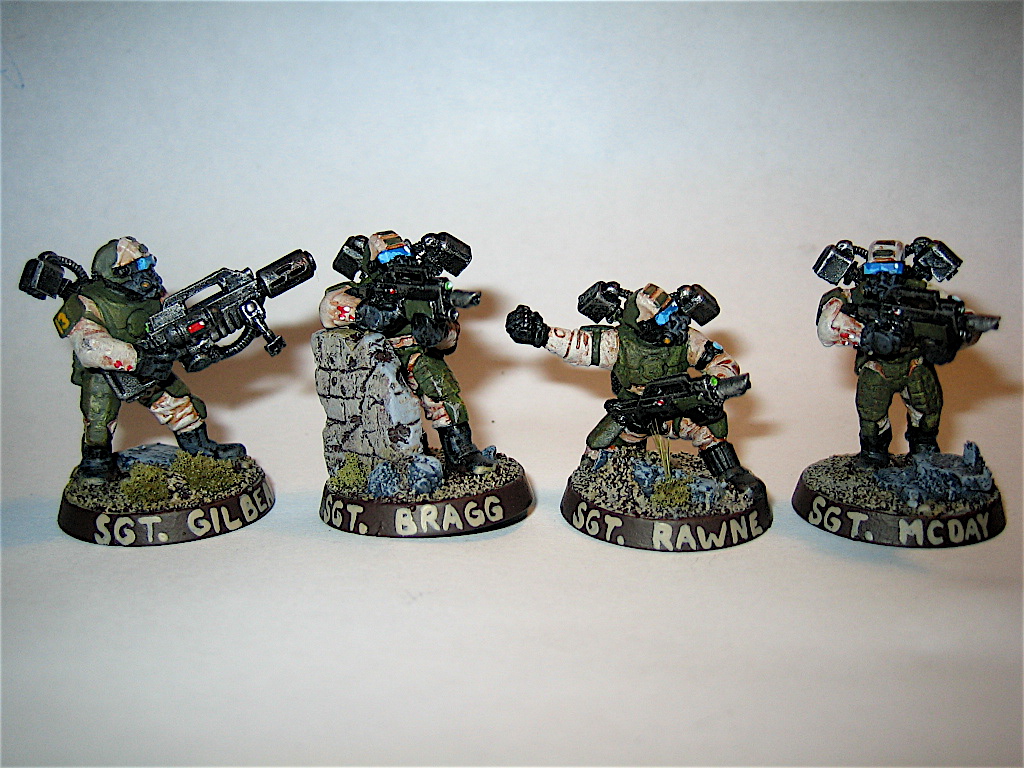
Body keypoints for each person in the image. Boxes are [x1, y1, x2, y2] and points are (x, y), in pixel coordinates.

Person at [506, 282, 758, 488]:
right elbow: (579, 346)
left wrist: (715, 383)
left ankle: (730, 475)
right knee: (600, 448)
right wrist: (541, 334)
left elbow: (721, 361)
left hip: (678, 408)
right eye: (663, 318)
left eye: (672, 312)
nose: (673, 322)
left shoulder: (687, 340)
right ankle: (620, 478)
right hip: (635, 411)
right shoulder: (618, 342)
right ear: (641, 324)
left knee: (710, 426)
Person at [54, 236, 245, 482]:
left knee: (180, 405)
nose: (148, 272)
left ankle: (200, 450)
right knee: (99, 420)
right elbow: (90, 346)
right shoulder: (87, 302)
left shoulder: (153, 295)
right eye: (140, 266)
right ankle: (96, 464)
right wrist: (140, 360)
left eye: (149, 263)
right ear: (119, 273)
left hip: (150, 366)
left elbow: (176, 324)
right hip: (105, 374)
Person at [319, 230, 494, 475]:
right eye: (388, 257)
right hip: (374, 358)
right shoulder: (358, 289)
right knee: (391, 412)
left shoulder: (428, 290)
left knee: (441, 390)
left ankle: (460, 452)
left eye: (403, 254)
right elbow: (329, 310)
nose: (398, 262)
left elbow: (450, 338)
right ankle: (409, 456)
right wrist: (367, 313)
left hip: (415, 354)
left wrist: (438, 334)